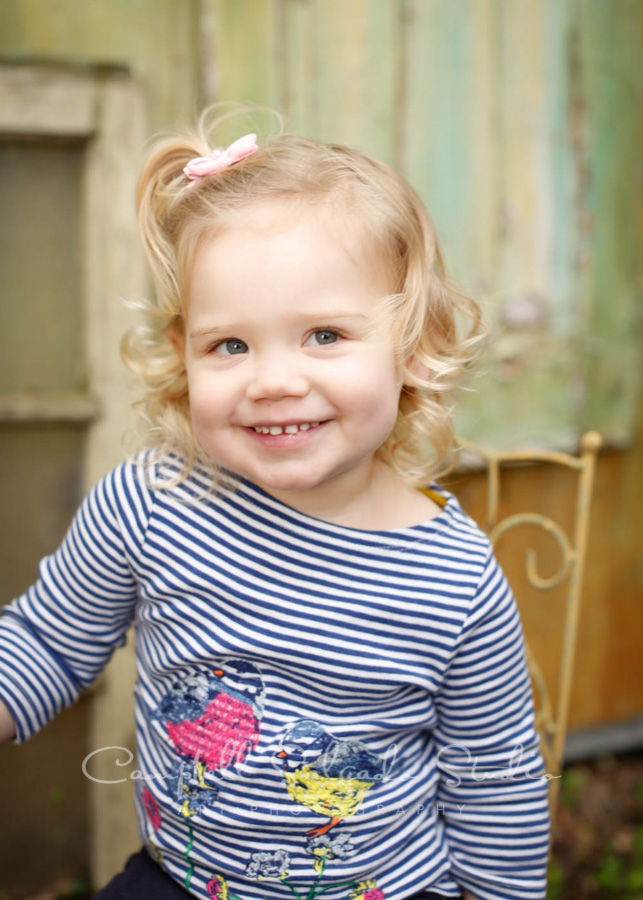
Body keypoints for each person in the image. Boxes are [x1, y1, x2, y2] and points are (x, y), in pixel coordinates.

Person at [0, 111, 550, 900]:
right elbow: (48, 643)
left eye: (323, 335)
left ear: (411, 349)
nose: (273, 380)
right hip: (181, 881)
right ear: (183, 356)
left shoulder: (453, 577)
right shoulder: (151, 507)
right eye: (231, 345)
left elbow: (492, 778)